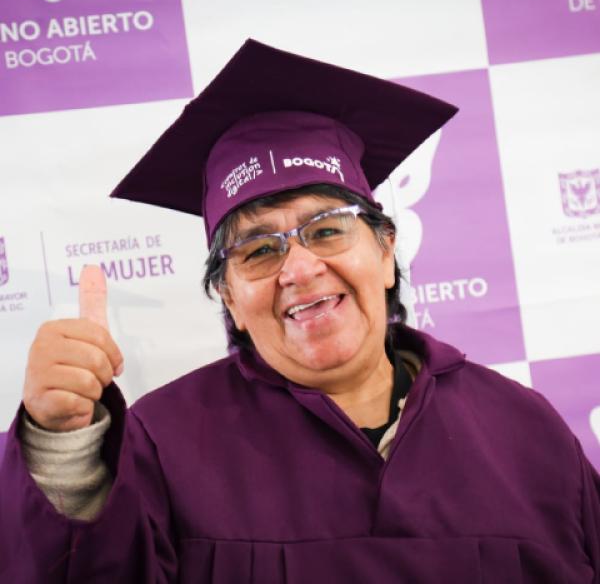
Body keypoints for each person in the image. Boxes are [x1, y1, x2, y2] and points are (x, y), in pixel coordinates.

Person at [1, 40, 599, 583]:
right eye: (259, 250)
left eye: (328, 230)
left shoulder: (526, 433)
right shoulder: (160, 447)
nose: (300, 269)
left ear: (386, 252)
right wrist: (63, 451)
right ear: (229, 299)